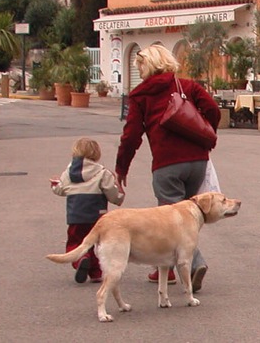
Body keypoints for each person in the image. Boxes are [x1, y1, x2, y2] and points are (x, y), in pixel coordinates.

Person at [115, 44, 221, 291]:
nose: (139, 70)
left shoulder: (140, 95)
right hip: (197, 161)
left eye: (140, 65)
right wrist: (206, 132)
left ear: (147, 65)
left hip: (167, 164)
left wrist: (122, 168)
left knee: (171, 222)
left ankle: (195, 263)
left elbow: (131, 136)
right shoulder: (187, 86)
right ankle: (164, 270)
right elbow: (213, 110)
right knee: (186, 215)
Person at [51, 138, 124, 284]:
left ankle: (80, 259)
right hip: (98, 215)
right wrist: (119, 196)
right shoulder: (103, 172)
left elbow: (61, 189)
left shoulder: (68, 172)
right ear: (97, 154)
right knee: (97, 243)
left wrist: (54, 185)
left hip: (76, 215)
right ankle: (96, 273)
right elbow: (112, 193)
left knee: (76, 241)